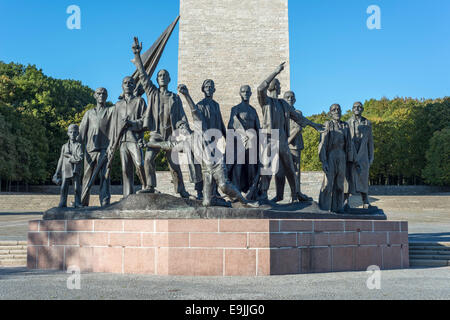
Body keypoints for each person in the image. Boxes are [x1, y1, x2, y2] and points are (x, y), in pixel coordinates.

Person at [131, 38, 201, 198]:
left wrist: (185, 130)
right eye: (160, 75)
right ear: (157, 80)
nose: (162, 77)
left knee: (174, 164)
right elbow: (143, 76)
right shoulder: (152, 93)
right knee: (148, 159)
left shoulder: (175, 98)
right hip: (155, 135)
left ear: (169, 79)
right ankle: (150, 185)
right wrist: (137, 55)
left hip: (170, 134)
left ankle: (181, 190)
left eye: (165, 75)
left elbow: (181, 118)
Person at [176, 84, 258, 208]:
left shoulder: (216, 105)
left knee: (222, 178)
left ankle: (239, 200)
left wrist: (227, 138)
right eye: (206, 87)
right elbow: (195, 113)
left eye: (211, 87)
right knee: (202, 168)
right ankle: (202, 193)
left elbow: (220, 122)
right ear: (202, 89)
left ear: (214, 89)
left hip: (213, 143)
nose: (208, 89)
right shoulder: (200, 105)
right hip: (204, 139)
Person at [257, 63, 311, 203]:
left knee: (289, 167)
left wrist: (313, 124)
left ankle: (295, 194)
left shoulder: (283, 104)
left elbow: (298, 118)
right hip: (270, 136)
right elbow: (260, 88)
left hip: (281, 137)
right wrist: (275, 72)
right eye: (279, 85)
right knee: (267, 167)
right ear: (274, 87)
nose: (281, 87)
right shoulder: (266, 101)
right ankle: (263, 194)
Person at [272, 91, 323, 202]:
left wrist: (286, 142)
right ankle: (278, 195)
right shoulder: (279, 112)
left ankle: (295, 196)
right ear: (284, 99)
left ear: (294, 100)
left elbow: (298, 128)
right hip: (281, 146)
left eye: (292, 97)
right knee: (279, 171)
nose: (290, 99)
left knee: (295, 171)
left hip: (293, 146)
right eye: (287, 97)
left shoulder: (297, 112)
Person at [110, 76, 148, 198]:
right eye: (125, 83)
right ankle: (127, 195)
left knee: (139, 164)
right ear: (122, 86)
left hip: (134, 139)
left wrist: (131, 123)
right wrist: (112, 144)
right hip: (122, 140)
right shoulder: (118, 105)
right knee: (125, 169)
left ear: (134, 86)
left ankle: (146, 187)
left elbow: (145, 121)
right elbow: (114, 126)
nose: (128, 85)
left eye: (131, 83)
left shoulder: (139, 101)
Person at [79, 87, 115, 207]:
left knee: (105, 176)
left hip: (105, 149)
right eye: (99, 93)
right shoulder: (89, 113)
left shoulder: (110, 111)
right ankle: (83, 202)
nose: (101, 95)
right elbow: (81, 133)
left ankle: (105, 201)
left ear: (107, 96)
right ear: (95, 95)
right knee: (87, 176)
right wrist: (77, 149)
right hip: (90, 149)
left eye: (104, 93)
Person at [318, 104, 354, 213]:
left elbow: (349, 144)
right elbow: (322, 144)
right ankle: (323, 208)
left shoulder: (345, 126)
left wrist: (350, 160)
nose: (337, 111)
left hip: (342, 155)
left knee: (339, 184)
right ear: (330, 113)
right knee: (328, 183)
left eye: (338, 109)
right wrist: (324, 161)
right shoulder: (327, 124)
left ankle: (338, 208)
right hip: (331, 155)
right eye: (334, 110)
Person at [227, 85, 261, 198]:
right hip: (239, 143)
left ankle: (252, 192)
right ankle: (236, 193)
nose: (245, 93)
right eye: (243, 91)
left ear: (251, 94)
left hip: (252, 144)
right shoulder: (235, 109)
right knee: (238, 167)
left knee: (252, 168)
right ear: (240, 94)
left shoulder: (253, 110)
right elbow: (231, 125)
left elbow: (258, 128)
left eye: (247, 91)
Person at [344, 102, 374, 209]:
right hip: (351, 154)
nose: (357, 109)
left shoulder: (367, 123)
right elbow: (346, 141)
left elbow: (370, 142)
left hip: (363, 155)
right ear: (352, 109)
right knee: (348, 178)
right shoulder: (347, 123)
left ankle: (365, 200)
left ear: (362, 109)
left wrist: (371, 157)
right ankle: (346, 200)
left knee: (363, 178)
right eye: (355, 107)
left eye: (359, 107)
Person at [53, 124, 84, 208]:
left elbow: (80, 158)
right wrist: (57, 172)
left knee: (77, 187)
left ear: (78, 133)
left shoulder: (79, 146)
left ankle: (77, 202)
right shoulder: (64, 146)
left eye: (74, 132)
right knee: (64, 187)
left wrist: (70, 157)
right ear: (67, 133)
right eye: (70, 132)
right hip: (65, 169)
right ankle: (62, 202)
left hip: (76, 169)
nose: (72, 134)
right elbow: (61, 159)